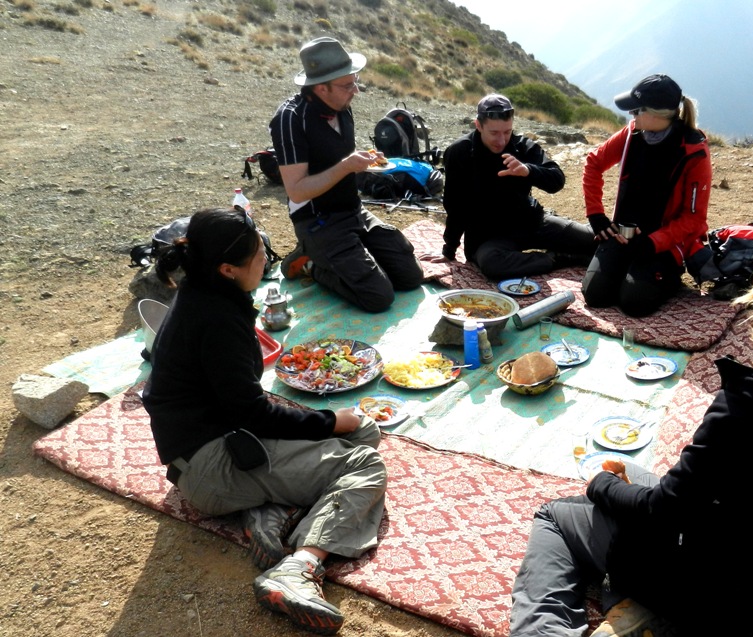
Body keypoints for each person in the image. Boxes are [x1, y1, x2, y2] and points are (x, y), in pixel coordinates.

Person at [510, 244, 753, 637]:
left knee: (558, 514)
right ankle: (631, 604)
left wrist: (599, 485)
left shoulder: (750, 402)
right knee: (633, 476)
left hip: (735, 597)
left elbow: (664, 509)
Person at [141, 208, 387, 635]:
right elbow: (252, 413)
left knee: (363, 430)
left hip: (216, 441)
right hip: (211, 466)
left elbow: (238, 402)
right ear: (227, 269)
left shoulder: (203, 290)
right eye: (259, 255)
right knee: (364, 463)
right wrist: (329, 422)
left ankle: (269, 511)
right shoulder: (216, 317)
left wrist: (333, 424)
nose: (266, 261)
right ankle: (298, 568)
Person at [270, 37, 423, 313]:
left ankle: (349, 256)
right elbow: (297, 191)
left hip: (353, 210)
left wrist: (364, 159)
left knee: (410, 277)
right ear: (321, 87)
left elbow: (338, 156)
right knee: (379, 297)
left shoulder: (341, 106)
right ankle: (309, 262)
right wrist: (346, 166)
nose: (356, 91)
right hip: (318, 220)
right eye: (347, 85)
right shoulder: (290, 119)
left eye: (355, 81)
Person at [581, 74, 712, 317]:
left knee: (633, 302)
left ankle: (670, 275)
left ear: (656, 114)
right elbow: (594, 163)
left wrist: (653, 243)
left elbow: (694, 219)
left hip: (663, 244)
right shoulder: (632, 133)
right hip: (623, 235)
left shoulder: (693, 151)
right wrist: (596, 215)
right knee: (595, 295)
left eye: (637, 110)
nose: (631, 115)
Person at [439, 94, 595, 279]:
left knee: (595, 240)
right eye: (494, 133)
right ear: (478, 125)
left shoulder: (522, 146)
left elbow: (557, 180)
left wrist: (528, 171)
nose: (501, 140)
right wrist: (449, 248)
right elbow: (455, 205)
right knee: (492, 264)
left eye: (507, 132)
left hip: (530, 221)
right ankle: (558, 258)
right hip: (489, 236)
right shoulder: (460, 152)